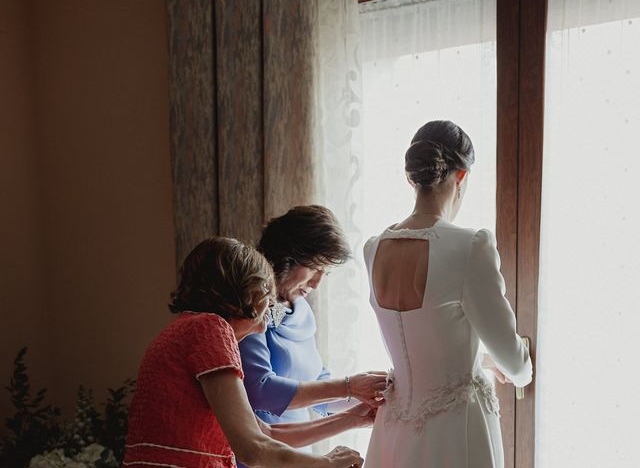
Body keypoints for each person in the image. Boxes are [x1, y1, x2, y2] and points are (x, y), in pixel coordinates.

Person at [362, 120, 533, 468]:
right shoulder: (469, 246)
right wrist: (522, 371)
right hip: (457, 432)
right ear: (461, 177)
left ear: (411, 178)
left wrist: (475, 357)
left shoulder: (373, 248)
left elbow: (421, 339)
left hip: (394, 430)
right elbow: (513, 359)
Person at [123, 237, 368, 468]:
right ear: (245, 294)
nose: (262, 326)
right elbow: (252, 449)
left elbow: (268, 433)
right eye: (265, 307)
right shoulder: (210, 328)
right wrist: (325, 464)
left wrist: (353, 418)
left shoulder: (183, 329)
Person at [238, 206, 387, 463]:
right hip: (261, 455)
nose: (317, 282)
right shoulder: (249, 309)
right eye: (315, 267)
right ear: (287, 256)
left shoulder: (303, 312)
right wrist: (348, 386)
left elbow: (318, 386)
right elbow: (260, 390)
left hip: (299, 455)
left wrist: (367, 401)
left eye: (325, 273)